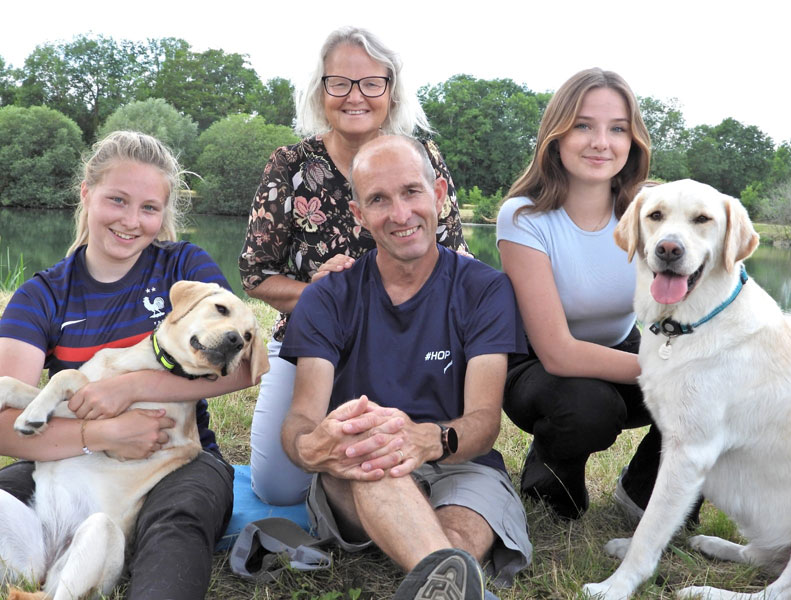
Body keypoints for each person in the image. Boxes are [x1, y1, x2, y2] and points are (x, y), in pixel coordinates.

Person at [0, 131, 262, 599]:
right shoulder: (42, 294)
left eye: (149, 208)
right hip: (71, 460)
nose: (131, 221)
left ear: (163, 214)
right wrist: (99, 435)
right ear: (87, 194)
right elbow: (4, 424)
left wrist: (132, 387)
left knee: (177, 523)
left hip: (176, 459)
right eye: (117, 200)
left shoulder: (184, 266)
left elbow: (241, 365)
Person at [279, 135, 531, 599]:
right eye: (378, 199)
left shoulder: (485, 289)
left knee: (452, 546)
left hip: (461, 465)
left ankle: (437, 575)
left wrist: (426, 438)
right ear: (359, 215)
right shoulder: (326, 297)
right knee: (375, 448)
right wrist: (311, 448)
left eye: (411, 192)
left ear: (437, 195)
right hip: (361, 468)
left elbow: (483, 422)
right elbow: (300, 418)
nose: (399, 214)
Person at [239, 26, 469, 506]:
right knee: (278, 488)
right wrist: (321, 293)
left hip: (411, 339)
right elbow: (256, 274)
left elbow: (454, 260)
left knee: (425, 454)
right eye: (339, 83)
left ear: (391, 91)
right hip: (312, 340)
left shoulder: (423, 159)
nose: (354, 96)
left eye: (371, 83)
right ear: (321, 91)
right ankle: (345, 478)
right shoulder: (289, 164)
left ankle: (372, 480)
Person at [496, 68, 660, 521]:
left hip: (622, 346)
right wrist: (671, 367)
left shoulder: (653, 210)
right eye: (583, 125)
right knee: (589, 407)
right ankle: (550, 476)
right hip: (539, 367)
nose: (600, 142)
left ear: (633, 141)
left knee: (716, 382)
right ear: (557, 134)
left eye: (617, 129)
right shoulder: (524, 216)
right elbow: (558, 354)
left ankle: (645, 491)